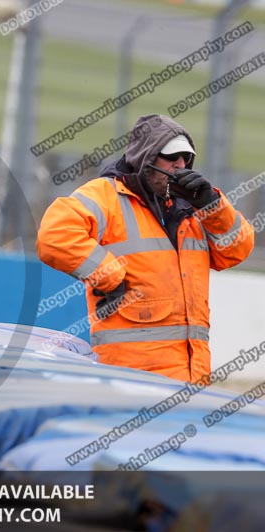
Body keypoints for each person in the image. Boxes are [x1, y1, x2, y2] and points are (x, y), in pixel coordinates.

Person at [37, 114, 254, 382]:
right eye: (171, 157)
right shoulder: (104, 196)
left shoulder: (194, 205)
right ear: (146, 158)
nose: (180, 164)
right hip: (129, 380)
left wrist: (212, 205)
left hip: (193, 377)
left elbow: (238, 249)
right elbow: (53, 236)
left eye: (185, 158)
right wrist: (108, 275)